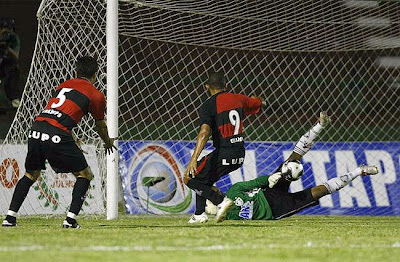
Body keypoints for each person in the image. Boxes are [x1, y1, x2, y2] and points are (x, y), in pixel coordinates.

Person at [2, 56, 116, 228]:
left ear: (75, 72)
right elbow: (100, 125)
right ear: (95, 75)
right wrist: (107, 142)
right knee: (85, 175)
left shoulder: (63, 85)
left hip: (36, 128)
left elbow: (58, 113)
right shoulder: (96, 95)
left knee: (31, 174)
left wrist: (71, 137)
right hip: (57, 133)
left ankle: (9, 218)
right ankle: (70, 220)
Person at [212, 111, 379, 222]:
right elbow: (220, 215)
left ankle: (320, 125)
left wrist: (270, 179)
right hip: (276, 209)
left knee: (292, 160)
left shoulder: (234, 190)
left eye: (213, 190)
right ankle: (359, 170)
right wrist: (217, 211)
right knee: (317, 192)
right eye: (213, 193)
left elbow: (255, 183)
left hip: (268, 193)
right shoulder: (229, 216)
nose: (215, 190)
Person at [184, 71, 264, 223]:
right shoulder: (239, 98)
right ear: (225, 85)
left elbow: (204, 132)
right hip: (240, 154)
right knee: (203, 179)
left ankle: (221, 201)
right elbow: (258, 102)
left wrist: (193, 159)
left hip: (224, 153)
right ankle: (199, 214)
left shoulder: (209, 105)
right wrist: (258, 100)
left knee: (189, 176)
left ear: (207, 86)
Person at [0, 17, 21, 108]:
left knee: (12, 74)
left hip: (9, 65)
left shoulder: (13, 38)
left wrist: (7, 48)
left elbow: (16, 56)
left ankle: (14, 100)